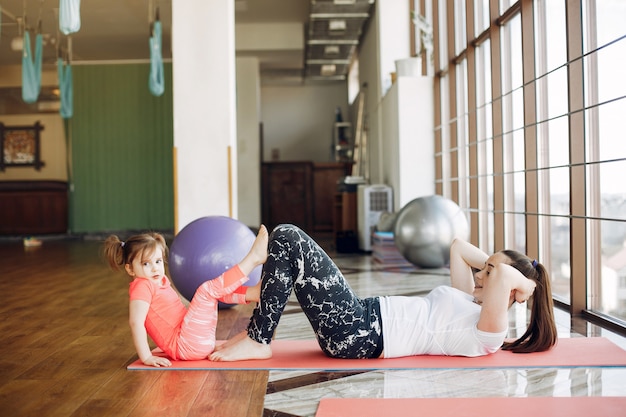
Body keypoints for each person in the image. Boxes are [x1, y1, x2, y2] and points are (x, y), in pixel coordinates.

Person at [210, 224, 557, 362]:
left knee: (287, 236)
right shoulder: (469, 299)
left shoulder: (490, 333)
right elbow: (458, 247)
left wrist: (527, 283)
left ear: (512, 290)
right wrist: (499, 267)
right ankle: (262, 306)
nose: (480, 273)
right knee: (288, 245)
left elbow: (502, 279)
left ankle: (259, 334)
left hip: (360, 333)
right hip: (359, 318)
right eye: (485, 267)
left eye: (489, 271)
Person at [103, 226, 268, 367]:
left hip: (192, 340)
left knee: (214, 292)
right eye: (146, 264)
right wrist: (146, 357)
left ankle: (252, 293)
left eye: (158, 261)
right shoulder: (142, 286)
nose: (154, 268)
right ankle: (253, 259)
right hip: (185, 345)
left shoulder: (159, 280)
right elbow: (135, 322)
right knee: (207, 290)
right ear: (130, 269)